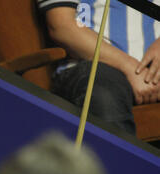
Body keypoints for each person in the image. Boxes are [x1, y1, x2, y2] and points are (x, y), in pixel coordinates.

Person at [37, 0, 160, 135]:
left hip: (155, 68)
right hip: (95, 68)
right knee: (103, 94)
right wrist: (130, 67)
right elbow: (62, 27)